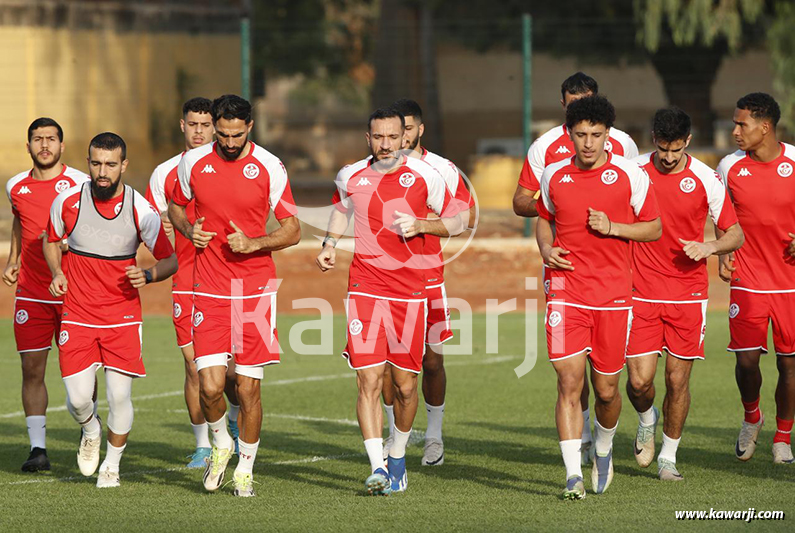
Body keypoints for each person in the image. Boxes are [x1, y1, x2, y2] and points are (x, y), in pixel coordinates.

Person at [316, 106, 467, 495]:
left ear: (405, 137)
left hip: (411, 292)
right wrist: (330, 244)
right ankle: (378, 467)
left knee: (403, 386)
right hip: (365, 287)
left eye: (392, 137)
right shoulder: (351, 175)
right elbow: (340, 208)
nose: (385, 144)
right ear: (368, 138)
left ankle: (398, 455)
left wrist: (421, 224)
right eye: (377, 137)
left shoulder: (427, 175)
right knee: (368, 379)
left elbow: (458, 220)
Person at [169, 94, 301, 496]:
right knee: (209, 386)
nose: (228, 142)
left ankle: (245, 467)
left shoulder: (269, 166)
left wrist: (256, 243)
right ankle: (220, 444)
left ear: (250, 128)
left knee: (247, 388)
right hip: (208, 288)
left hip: (254, 291)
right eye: (221, 134)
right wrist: (189, 230)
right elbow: (175, 206)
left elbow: (293, 229)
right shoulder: (192, 162)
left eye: (236, 135)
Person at [536, 95, 661, 499]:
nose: (588, 143)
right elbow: (544, 219)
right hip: (566, 292)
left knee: (607, 390)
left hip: (612, 298)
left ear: (609, 134)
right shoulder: (553, 173)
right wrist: (545, 248)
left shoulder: (630, 174)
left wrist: (615, 228)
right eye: (581, 135)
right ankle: (573, 474)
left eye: (596, 134)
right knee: (569, 382)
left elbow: (654, 228)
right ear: (569, 134)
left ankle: (603, 449)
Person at [514, 72, 639, 464]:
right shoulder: (546, 149)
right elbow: (522, 202)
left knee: (610, 383)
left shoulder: (624, 146)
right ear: (562, 104)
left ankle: (604, 436)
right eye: (572, 103)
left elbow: (636, 200)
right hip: (565, 273)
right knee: (570, 372)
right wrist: (562, 208)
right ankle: (580, 439)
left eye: (585, 101)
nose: (579, 110)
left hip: (614, 274)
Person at [44, 132, 177, 488]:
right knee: (76, 400)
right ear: (88, 162)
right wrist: (57, 271)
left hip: (122, 316)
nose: (103, 172)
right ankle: (90, 430)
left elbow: (170, 259)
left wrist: (147, 274)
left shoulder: (140, 209)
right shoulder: (68, 202)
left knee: (120, 395)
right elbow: (51, 239)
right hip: (77, 313)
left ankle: (112, 466)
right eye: (97, 163)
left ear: (124, 166)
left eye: (111, 164)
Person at [627, 107, 743, 481]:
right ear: (653, 139)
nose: (669, 156)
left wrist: (710, 248)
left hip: (688, 296)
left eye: (676, 149)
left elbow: (734, 233)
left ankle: (668, 458)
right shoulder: (634, 171)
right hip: (639, 291)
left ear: (688, 142)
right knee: (639, 383)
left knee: (678, 381)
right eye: (663, 147)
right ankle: (647, 418)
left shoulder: (707, 179)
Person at [378, 98, 476, 467]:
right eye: (391, 131)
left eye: (405, 129)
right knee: (388, 363)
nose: (397, 137)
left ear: (419, 130)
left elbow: (463, 216)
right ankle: (393, 434)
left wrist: (426, 220)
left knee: (432, 361)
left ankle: (434, 435)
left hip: (429, 278)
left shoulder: (441, 169)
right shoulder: (375, 168)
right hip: (384, 280)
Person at [146, 97, 241, 468]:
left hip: (230, 277)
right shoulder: (165, 173)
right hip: (187, 277)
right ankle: (204, 445)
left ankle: (231, 423)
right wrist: (166, 224)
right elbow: (157, 224)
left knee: (233, 371)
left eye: (206, 125)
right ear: (182, 126)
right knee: (193, 365)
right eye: (194, 124)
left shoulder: (228, 165)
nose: (200, 131)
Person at [4, 118, 90, 472]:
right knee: (31, 369)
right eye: (37, 139)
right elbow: (19, 222)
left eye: (51, 139)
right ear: (28, 146)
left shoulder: (79, 183)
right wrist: (13, 260)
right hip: (31, 293)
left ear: (61, 145)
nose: (44, 145)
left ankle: (89, 433)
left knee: (80, 376)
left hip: (73, 293)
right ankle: (37, 449)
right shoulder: (16, 186)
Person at [717, 92, 795, 465]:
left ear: (764, 128)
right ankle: (752, 418)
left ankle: (783, 436)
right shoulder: (729, 167)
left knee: (789, 364)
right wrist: (723, 251)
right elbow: (721, 214)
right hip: (747, 278)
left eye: (741, 124)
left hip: (791, 282)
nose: (734, 131)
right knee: (746, 361)